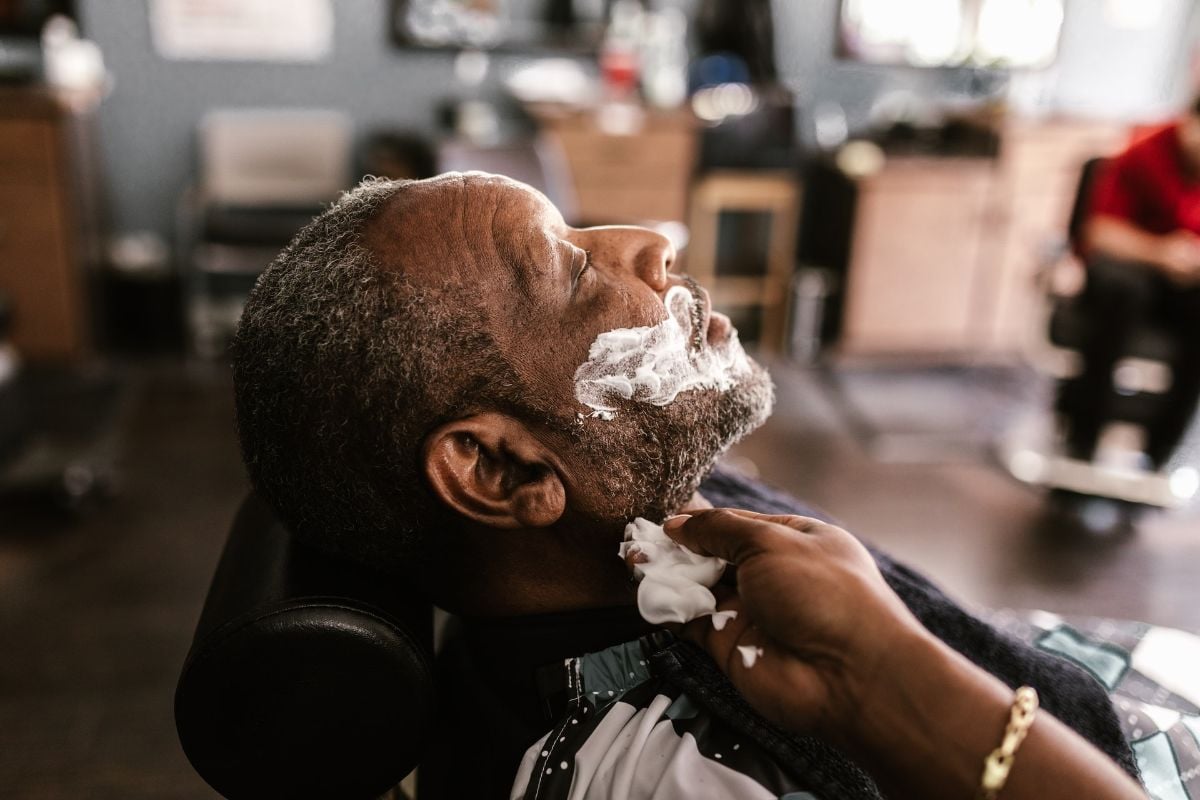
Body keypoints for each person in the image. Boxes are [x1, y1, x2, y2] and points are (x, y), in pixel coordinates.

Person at [232, 173, 1155, 798]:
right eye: (570, 268)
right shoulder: (671, 773)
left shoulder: (636, 505)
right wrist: (886, 680)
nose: (653, 242)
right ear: (500, 469)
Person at [1061, 102, 1200, 468]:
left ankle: (1161, 454)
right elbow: (1100, 231)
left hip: (1182, 289)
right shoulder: (1145, 155)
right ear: (1189, 123)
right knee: (1122, 292)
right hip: (1127, 274)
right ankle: (1083, 439)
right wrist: (1159, 252)